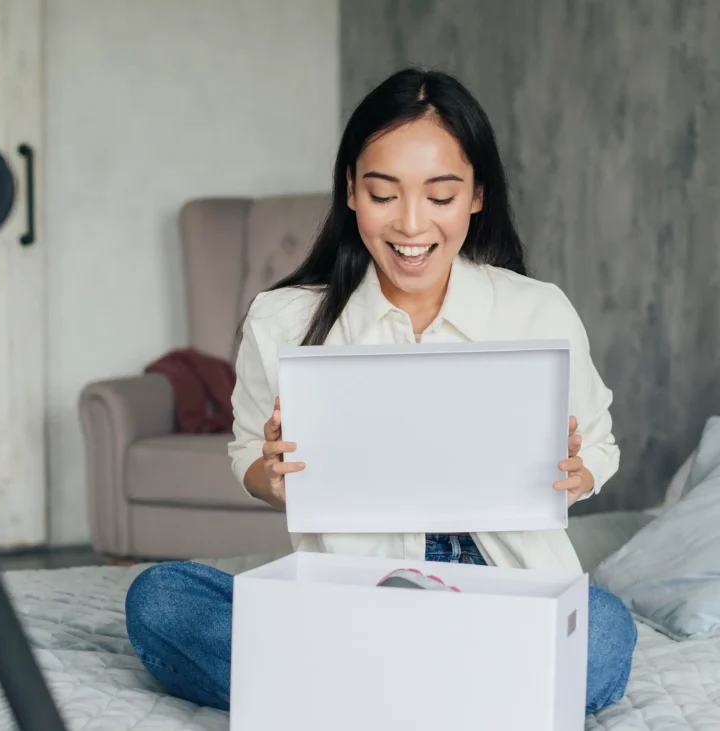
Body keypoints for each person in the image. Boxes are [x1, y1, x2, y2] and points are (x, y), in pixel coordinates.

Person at [124, 67, 637, 716]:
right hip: (354, 593)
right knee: (159, 599)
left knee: (608, 632)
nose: (411, 224)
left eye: (441, 195)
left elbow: (601, 445)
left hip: (504, 588)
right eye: (384, 193)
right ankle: (458, 700)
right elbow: (247, 455)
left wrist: (575, 468)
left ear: (477, 194)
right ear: (351, 192)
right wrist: (271, 473)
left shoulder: (538, 310)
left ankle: (367, 694)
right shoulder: (283, 319)